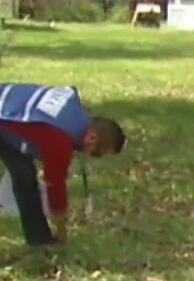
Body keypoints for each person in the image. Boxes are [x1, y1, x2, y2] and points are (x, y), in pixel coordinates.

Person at [0, 84, 126, 248]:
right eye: (97, 153)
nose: (91, 156)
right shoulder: (60, 140)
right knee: (25, 179)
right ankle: (42, 241)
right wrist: (61, 231)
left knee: (24, 176)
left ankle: (40, 242)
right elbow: (56, 190)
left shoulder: (73, 109)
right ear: (93, 138)